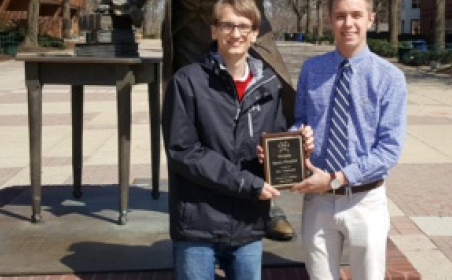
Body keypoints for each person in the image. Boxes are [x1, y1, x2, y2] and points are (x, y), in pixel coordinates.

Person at [161, 0, 312, 279]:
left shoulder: (267, 85)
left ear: (253, 32)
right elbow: (182, 149)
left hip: (246, 223)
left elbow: (272, 137)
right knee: (199, 110)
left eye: (243, 28)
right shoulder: (186, 81)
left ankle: (269, 206)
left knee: (281, 94)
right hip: (198, 224)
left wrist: (294, 148)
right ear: (215, 30)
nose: (236, 33)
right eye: (228, 27)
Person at [290, 0, 407, 278]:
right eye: (341, 16)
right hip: (318, 202)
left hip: (365, 200)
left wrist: (337, 178)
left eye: (356, 15)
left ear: (370, 19)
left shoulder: (390, 78)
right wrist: (298, 136)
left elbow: (389, 149)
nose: (348, 23)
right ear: (331, 20)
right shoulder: (312, 70)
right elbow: (301, 118)